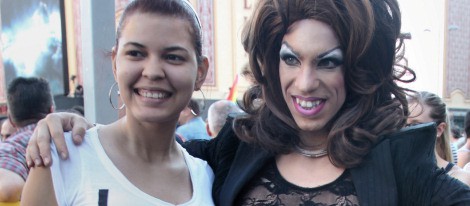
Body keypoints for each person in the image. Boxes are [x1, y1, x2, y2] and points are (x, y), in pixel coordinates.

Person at [26, 0, 470, 205]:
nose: (305, 81)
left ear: (354, 69)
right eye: (291, 59)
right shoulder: (232, 151)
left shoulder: (400, 163)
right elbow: (145, 153)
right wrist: (64, 125)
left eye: (327, 63)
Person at [21, 1, 214, 205]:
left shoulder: (207, 177)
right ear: (115, 63)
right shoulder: (62, 158)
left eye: (173, 57)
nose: (153, 71)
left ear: (200, 72)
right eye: (136, 54)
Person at [0, 77, 54, 202]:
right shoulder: (73, 138)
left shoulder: (13, 147)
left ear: (11, 119)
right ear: (51, 110)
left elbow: (7, 190)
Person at [407, 91, 470, 185]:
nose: (406, 130)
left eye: (415, 125)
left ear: (439, 129)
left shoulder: (462, 180)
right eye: (402, 124)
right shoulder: (397, 174)